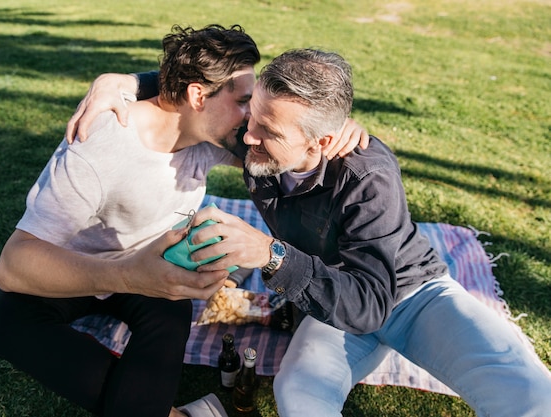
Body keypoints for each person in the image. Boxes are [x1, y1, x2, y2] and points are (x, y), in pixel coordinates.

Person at [76, 49, 551, 416]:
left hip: (414, 297)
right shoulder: (262, 136)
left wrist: (271, 254)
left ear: (322, 141)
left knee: (530, 393)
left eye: (268, 131)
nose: (246, 138)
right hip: (331, 306)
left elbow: (370, 304)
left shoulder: (368, 177)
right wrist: (118, 83)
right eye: (252, 116)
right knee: (298, 392)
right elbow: (196, 91)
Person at [0, 24, 259, 417]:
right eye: (244, 101)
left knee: (170, 310)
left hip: (153, 263)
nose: (251, 115)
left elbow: (275, 153)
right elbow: (12, 265)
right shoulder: (101, 149)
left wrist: (339, 135)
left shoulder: (209, 134)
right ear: (198, 95)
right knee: (4, 320)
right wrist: (126, 275)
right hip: (77, 265)